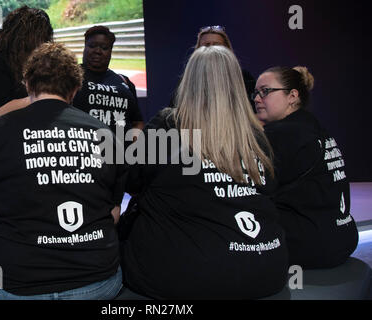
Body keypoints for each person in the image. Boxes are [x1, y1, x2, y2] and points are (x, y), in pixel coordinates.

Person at [120, 46, 289, 299]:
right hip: (267, 269)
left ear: (189, 82)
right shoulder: (258, 138)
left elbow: (132, 181)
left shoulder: (169, 125)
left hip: (186, 275)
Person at [0, 43, 125, 300]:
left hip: (15, 281)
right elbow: (113, 213)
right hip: (95, 281)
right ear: (75, 88)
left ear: (27, 84)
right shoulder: (105, 133)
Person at [253, 66, 358, 269]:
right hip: (343, 238)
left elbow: (250, 191)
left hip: (309, 246)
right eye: (256, 93)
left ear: (292, 96)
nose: (257, 99)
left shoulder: (280, 135)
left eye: (265, 91)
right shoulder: (313, 127)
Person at [0, 6, 53, 125]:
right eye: (40, 39)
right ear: (23, 38)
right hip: (5, 138)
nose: (43, 45)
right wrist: (42, 97)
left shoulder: (39, 63)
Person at [72, 25, 144, 135]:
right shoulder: (69, 76)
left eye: (104, 48)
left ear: (110, 51)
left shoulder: (124, 81)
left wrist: (134, 148)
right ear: (85, 47)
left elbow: (137, 122)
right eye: (92, 46)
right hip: (83, 150)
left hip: (119, 151)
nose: (97, 51)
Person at [168, 25, 256, 110]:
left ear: (227, 49)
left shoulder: (242, 77)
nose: (211, 49)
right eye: (206, 45)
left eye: (216, 45)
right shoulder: (187, 81)